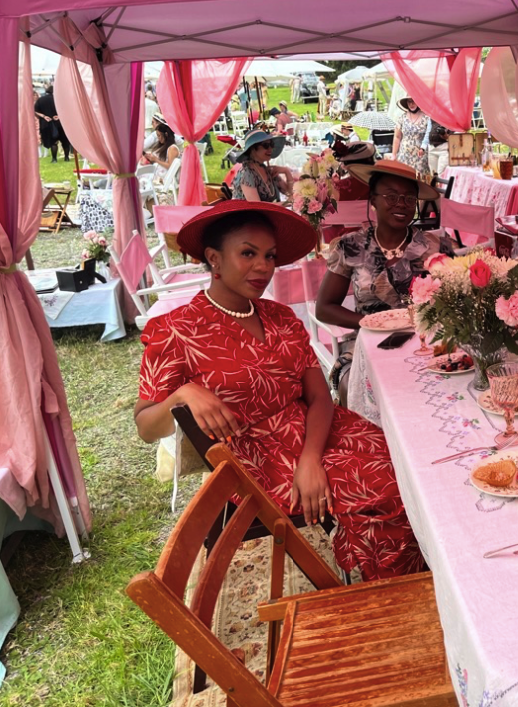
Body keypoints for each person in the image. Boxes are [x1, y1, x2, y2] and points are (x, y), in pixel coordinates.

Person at [134, 201, 424, 581]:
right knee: (385, 489)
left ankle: (415, 573)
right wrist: (181, 395)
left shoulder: (281, 317)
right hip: (261, 460)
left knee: (410, 465)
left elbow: (320, 397)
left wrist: (311, 458)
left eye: (269, 256)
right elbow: (146, 427)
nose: (263, 267)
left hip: (317, 433)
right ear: (213, 259)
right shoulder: (176, 330)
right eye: (248, 253)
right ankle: (392, 591)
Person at [316, 160, 454, 404]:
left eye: (409, 198)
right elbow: (324, 308)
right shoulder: (351, 245)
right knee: (356, 386)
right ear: (373, 200)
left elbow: (456, 299)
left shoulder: (434, 245)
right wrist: (371, 323)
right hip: (368, 343)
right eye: (391, 196)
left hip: (427, 342)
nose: (401, 204)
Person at [231, 129, 294, 202]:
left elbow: (289, 193)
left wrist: (286, 171)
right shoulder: (247, 173)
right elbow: (257, 207)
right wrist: (287, 203)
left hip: (267, 213)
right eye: (266, 145)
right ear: (253, 148)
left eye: (271, 145)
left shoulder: (266, 169)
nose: (270, 149)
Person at [392, 97, 432, 182]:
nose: (411, 104)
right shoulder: (402, 118)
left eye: (414, 101)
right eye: (409, 101)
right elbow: (397, 137)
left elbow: (429, 135)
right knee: (404, 180)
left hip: (420, 156)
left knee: (420, 181)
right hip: (404, 155)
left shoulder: (426, 117)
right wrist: (394, 154)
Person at [34, 84, 72, 163]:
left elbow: (35, 111)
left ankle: (54, 159)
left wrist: (44, 116)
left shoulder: (41, 100)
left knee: (53, 142)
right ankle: (66, 157)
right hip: (60, 123)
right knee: (65, 141)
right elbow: (68, 109)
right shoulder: (60, 99)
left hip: (47, 123)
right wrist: (59, 116)